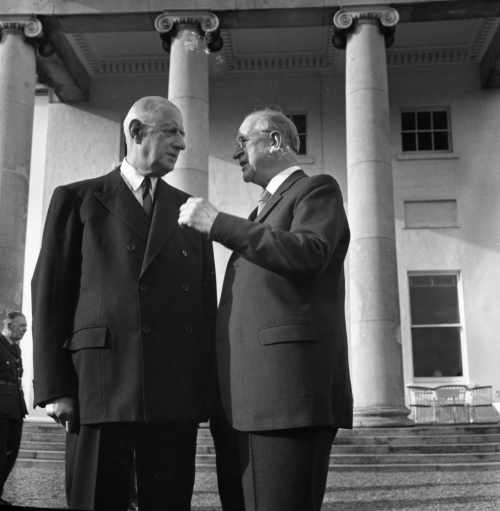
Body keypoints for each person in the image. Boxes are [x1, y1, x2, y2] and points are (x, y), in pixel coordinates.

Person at [31, 96, 217, 511]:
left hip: (173, 394)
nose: (182, 144)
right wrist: (56, 387)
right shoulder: (77, 199)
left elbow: (205, 310)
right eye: (172, 131)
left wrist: (207, 392)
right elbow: (50, 295)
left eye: (183, 134)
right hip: (97, 389)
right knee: (98, 500)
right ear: (136, 133)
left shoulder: (191, 211)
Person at [178, 108, 353, 511]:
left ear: (275, 141)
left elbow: (310, 252)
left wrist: (220, 223)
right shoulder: (265, 208)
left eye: (243, 141)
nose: (236, 151)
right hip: (242, 406)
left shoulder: (316, 190)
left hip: (287, 402)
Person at [0, 310, 28, 506]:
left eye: (26, 327)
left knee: (12, 452)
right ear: (8, 326)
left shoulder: (15, 349)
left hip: (15, 406)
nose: (25, 330)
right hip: (1, 407)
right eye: (21, 326)